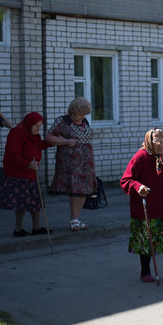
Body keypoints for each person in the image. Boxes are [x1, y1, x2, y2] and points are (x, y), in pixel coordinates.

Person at [120, 128, 163, 283]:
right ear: (149, 141)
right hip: (145, 208)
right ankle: (145, 272)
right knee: (146, 241)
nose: (161, 142)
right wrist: (138, 187)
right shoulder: (140, 157)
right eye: (157, 139)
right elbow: (126, 180)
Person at [0, 112, 53, 237]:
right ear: (29, 124)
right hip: (18, 173)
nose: (38, 129)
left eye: (40, 126)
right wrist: (28, 164)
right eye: (36, 126)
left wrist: (54, 141)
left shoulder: (34, 135)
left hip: (31, 173)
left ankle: (36, 227)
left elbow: (39, 145)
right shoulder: (16, 133)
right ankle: (18, 229)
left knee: (35, 201)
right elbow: (13, 155)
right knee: (21, 202)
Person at [45, 98, 96, 230]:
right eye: (80, 114)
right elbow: (49, 137)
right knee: (75, 189)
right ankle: (73, 219)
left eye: (84, 114)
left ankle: (77, 219)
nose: (83, 117)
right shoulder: (62, 121)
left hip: (86, 162)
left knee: (84, 189)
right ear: (73, 112)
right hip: (70, 162)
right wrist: (65, 142)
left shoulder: (84, 121)